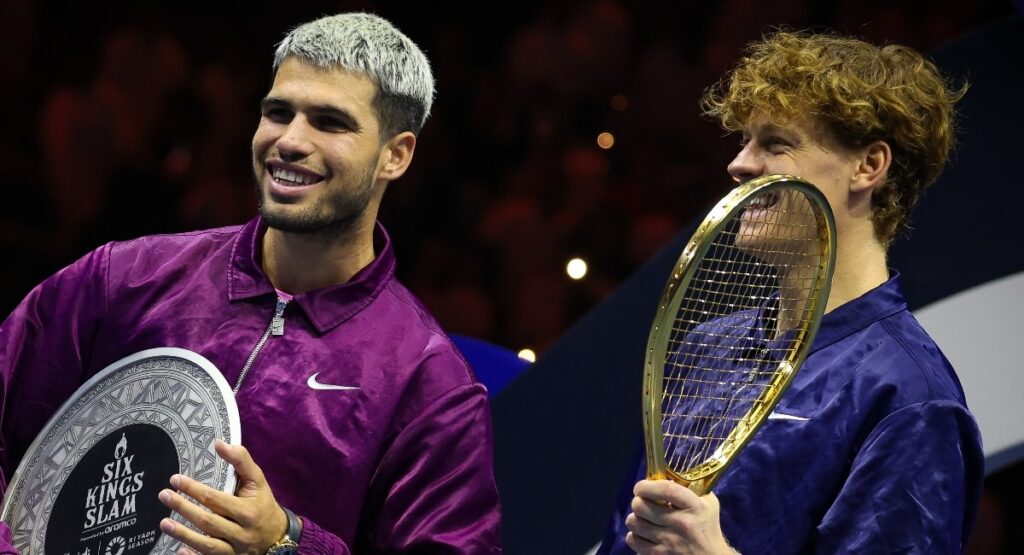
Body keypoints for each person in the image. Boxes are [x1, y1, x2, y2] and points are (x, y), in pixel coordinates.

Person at [0, 13, 501, 554]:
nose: (290, 140)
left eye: (330, 122)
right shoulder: (126, 278)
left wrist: (288, 543)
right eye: (279, 112)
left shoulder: (428, 385)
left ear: (395, 155)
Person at [599, 30, 984, 554]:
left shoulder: (911, 398)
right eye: (744, 141)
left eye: (776, 144)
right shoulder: (706, 347)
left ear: (868, 166)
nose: (739, 164)